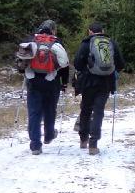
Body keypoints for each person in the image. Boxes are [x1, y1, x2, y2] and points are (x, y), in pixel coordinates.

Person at [74, 22, 125, 155]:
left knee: (85, 110)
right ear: (103, 30)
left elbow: (77, 64)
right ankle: (93, 144)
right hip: (106, 83)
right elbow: (121, 64)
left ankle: (83, 139)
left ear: (89, 31)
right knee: (98, 112)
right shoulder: (111, 43)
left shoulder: (86, 44)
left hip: (88, 83)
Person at [21, 20, 69, 155]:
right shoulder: (56, 42)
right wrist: (64, 83)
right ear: (53, 30)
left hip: (33, 82)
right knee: (50, 109)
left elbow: (21, 63)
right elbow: (64, 65)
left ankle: (35, 145)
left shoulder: (31, 40)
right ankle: (48, 135)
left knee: (34, 113)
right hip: (52, 82)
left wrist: (26, 73)